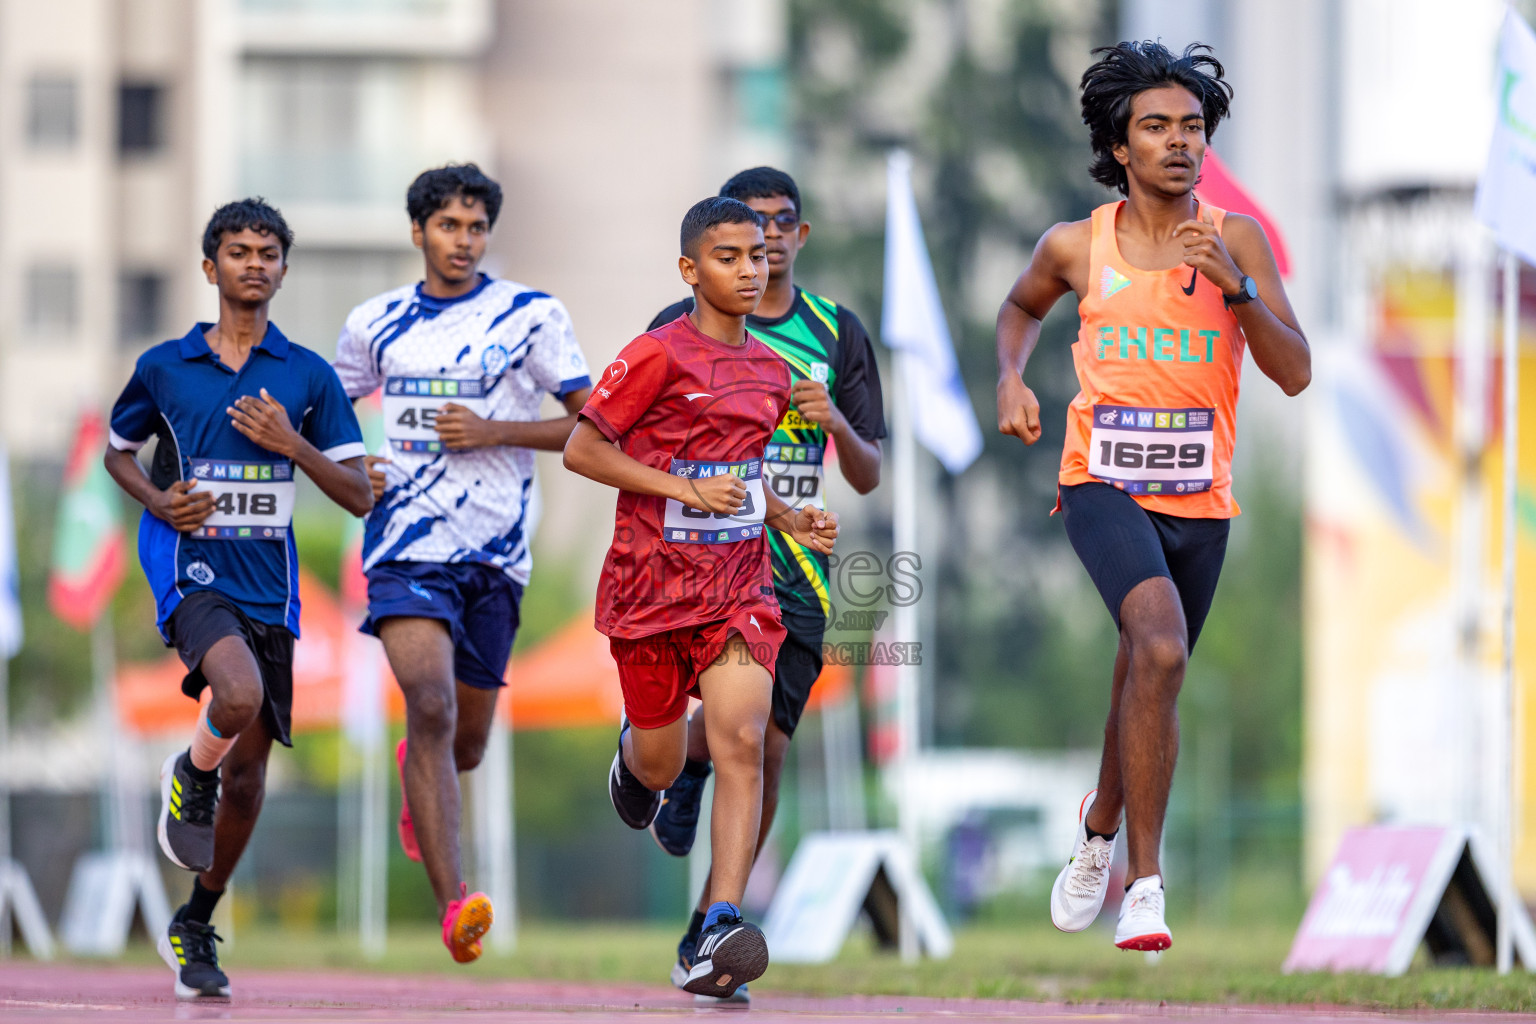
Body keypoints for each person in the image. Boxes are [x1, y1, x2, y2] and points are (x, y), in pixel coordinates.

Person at [994, 41, 1310, 952]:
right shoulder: (1075, 245)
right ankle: (1143, 883)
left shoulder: (1236, 242)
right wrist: (1011, 379)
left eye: (1192, 128)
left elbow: (1294, 373)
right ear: (1120, 146)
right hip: (1100, 481)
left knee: (1145, 668)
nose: (1178, 142)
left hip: (1200, 501)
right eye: (1156, 127)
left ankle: (1095, 826)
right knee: (1161, 649)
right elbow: (1018, 308)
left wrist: (1237, 289)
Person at [563, 196, 839, 999]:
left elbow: (741, 477)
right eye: (730, 257)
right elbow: (583, 448)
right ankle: (637, 760)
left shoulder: (773, 373)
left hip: (740, 590)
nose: (751, 270)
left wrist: (791, 516)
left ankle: (720, 923)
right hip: (649, 592)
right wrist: (678, 484)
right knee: (659, 761)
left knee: (743, 739)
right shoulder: (654, 355)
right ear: (690, 269)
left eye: (758, 255)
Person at [105, 199, 372, 998]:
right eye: (237, 250)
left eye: (267, 252)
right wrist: (159, 503)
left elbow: (359, 494)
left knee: (250, 782)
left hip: (273, 590)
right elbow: (119, 453)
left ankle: (195, 918)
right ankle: (190, 772)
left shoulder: (306, 375)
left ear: (284, 269)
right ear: (209, 265)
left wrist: (292, 445)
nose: (253, 263)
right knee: (236, 692)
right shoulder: (164, 367)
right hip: (192, 572)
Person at [331, 163, 593, 964]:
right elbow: (334, 413)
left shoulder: (531, 316)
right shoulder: (374, 322)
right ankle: (456, 905)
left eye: (476, 228)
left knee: (462, 742)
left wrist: (495, 431)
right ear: (418, 232)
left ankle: (425, 770)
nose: (464, 241)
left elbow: (593, 429)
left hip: (497, 554)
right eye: (448, 226)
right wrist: (354, 468)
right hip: (406, 545)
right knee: (433, 705)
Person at [643, 167, 885, 1002]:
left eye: (783, 225)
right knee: (713, 734)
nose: (768, 242)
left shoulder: (836, 332)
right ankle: (675, 765)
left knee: (768, 749)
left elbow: (869, 471)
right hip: (694, 562)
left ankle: (715, 923)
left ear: (802, 236)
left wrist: (836, 421)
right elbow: (625, 441)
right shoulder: (677, 329)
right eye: (750, 229)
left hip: (796, 570)